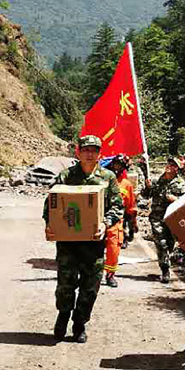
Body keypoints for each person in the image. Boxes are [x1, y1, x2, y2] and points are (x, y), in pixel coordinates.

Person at [44, 135, 122, 343]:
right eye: (86, 149)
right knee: (65, 286)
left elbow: (117, 206)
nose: (89, 153)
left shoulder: (108, 178)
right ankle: (63, 316)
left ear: (99, 154)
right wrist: (49, 226)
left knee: (90, 288)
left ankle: (79, 324)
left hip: (94, 244)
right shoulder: (66, 176)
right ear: (78, 152)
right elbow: (50, 204)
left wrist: (105, 223)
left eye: (94, 150)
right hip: (68, 244)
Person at [146, 156, 185, 283]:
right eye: (169, 163)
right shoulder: (158, 180)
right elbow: (147, 195)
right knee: (161, 243)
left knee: (169, 243)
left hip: (172, 219)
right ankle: (165, 269)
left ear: (177, 169)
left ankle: (166, 260)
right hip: (157, 217)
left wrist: (175, 199)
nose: (169, 166)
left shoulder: (180, 183)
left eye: (173, 165)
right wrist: (148, 187)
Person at [102, 154, 137, 288]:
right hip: (98, 218)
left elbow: (130, 206)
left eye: (120, 165)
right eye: (115, 164)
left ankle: (110, 274)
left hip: (116, 220)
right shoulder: (101, 179)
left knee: (113, 248)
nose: (116, 167)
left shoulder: (126, 185)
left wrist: (133, 223)